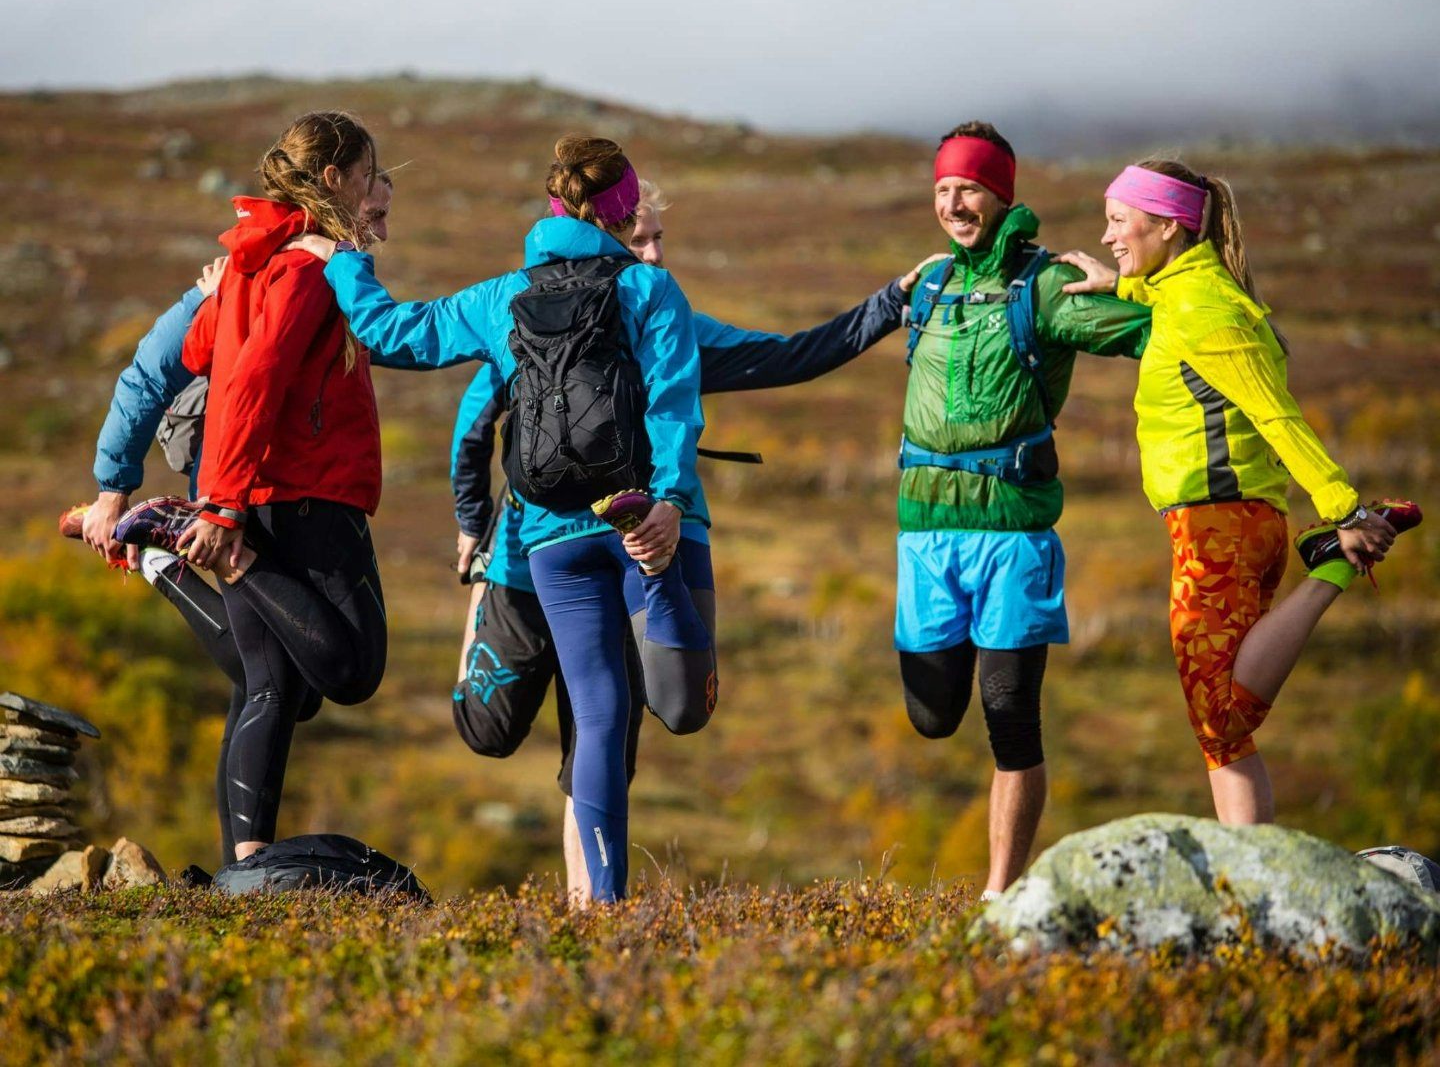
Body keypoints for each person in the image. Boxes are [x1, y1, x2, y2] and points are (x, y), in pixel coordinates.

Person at [450, 178, 938, 899]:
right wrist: (471, 525)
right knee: (500, 727)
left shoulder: (665, 318)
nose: (651, 254)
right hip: (532, 552)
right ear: (603, 236)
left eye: (658, 240)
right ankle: (592, 905)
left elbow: (790, 356)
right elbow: (473, 424)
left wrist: (887, 305)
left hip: (637, 539)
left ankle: (591, 909)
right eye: (637, 239)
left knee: (601, 729)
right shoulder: (533, 324)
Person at [289, 136, 715, 903]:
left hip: (550, 537)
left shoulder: (500, 298)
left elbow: (392, 335)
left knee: (598, 713)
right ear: (623, 214)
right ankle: (661, 582)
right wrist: (671, 503)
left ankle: (604, 912)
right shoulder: (651, 292)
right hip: (637, 522)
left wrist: (343, 259)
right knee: (679, 706)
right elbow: (674, 407)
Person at [1053, 158, 1421, 824]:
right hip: (1228, 524)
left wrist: (1346, 508)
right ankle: (1246, 889)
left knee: (1220, 722)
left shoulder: (1205, 310)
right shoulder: (1191, 292)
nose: (1106, 235)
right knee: (1221, 734)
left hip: (1218, 531)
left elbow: (1274, 412)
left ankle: (1331, 565)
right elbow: (1168, 306)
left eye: (1117, 221)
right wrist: (1120, 285)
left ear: (1166, 224)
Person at [61, 175, 397, 866]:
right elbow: (152, 376)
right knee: (283, 680)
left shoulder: (311, 276)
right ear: (336, 198)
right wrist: (112, 486)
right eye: (376, 213)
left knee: (275, 686)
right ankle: (247, 869)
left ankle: (246, 874)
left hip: (241, 497)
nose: (383, 232)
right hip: (236, 496)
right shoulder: (249, 279)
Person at [895, 122, 1153, 901]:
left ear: (1001, 194)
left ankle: (999, 894)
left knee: (1008, 712)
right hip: (925, 534)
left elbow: (1154, 333)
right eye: (942, 189)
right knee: (933, 716)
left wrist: (1135, 289)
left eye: (968, 188)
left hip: (1012, 534)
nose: (953, 202)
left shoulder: (1042, 287)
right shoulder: (931, 285)